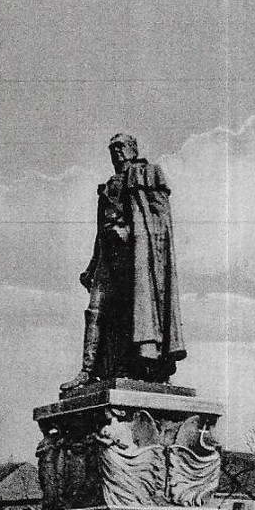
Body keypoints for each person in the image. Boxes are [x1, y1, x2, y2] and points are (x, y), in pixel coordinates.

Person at [60, 133, 186, 392]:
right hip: (108, 257)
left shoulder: (147, 174)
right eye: (112, 147)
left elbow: (158, 217)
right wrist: (92, 266)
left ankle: (137, 366)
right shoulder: (107, 186)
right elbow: (101, 231)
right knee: (95, 311)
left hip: (135, 256)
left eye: (121, 146)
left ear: (133, 149)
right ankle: (87, 371)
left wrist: (131, 231)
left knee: (131, 311)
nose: (116, 151)